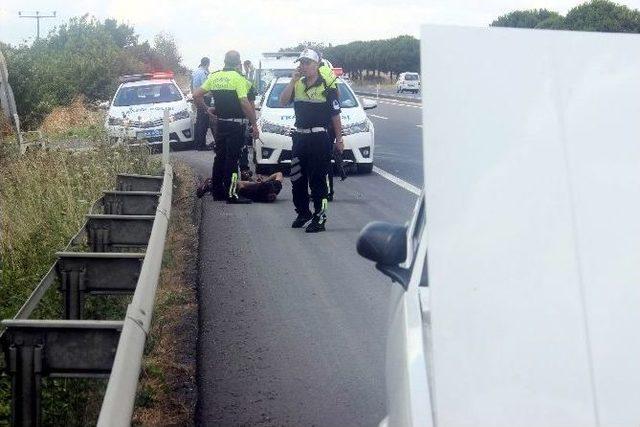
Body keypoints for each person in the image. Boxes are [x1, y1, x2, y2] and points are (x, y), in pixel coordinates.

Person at [279, 48, 343, 233]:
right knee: (297, 178)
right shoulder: (297, 84)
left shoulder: (327, 87)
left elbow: (335, 116)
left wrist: (339, 139)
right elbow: (283, 101)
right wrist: (292, 81)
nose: (303, 66)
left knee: (317, 180)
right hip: (300, 138)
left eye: (307, 63)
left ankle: (319, 218)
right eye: (301, 63)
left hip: (319, 138)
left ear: (316, 65)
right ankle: (303, 212)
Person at [193, 50, 259, 204]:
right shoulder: (238, 78)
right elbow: (244, 103)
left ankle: (217, 192)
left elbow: (196, 95)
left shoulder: (214, 76)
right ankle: (232, 194)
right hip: (236, 124)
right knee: (232, 159)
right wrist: (254, 123)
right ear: (238, 63)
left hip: (221, 123)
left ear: (224, 61)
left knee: (220, 157)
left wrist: (206, 110)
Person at [196, 172, 284, 203]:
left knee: (237, 185)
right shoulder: (277, 187)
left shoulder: (258, 188)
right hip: (247, 192)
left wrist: (263, 181)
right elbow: (279, 174)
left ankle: (211, 184)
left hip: (244, 190)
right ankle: (212, 185)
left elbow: (242, 185)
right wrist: (265, 181)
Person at [192, 57, 211, 151]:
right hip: (204, 98)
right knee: (203, 122)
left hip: (196, 97)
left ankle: (197, 143)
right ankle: (201, 145)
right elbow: (205, 87)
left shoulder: (195, 72)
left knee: (199, 121)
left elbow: (192, 86)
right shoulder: (204, 73)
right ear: (208, 63)